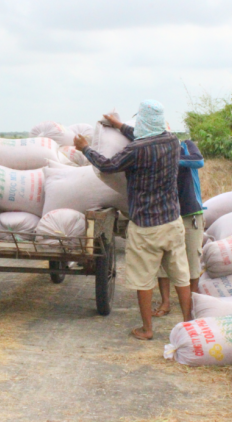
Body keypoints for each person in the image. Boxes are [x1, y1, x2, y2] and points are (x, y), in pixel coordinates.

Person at [73, 100, 191, 340]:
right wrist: (119, 126)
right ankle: (190, 324)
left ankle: (147, 330)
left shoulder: (136, 150)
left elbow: (107, 166)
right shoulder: (172, 141)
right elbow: (143, 135)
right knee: (180, 275)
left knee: (144, 280)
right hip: (172, 221)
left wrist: (85, 148)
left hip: (146, 226)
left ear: (143, 122)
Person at [151, 138, 205, 317]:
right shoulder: (154, 153)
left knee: (192, 261)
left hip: (190, 214)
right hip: (166, 214)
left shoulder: (186, 145)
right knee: (164, 261)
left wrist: (168, 157)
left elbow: (198, 160)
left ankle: (193, 304)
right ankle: (165, 302)